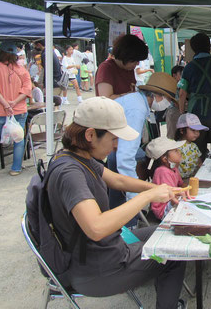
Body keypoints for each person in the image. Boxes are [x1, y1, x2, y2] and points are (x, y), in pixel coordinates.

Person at [43, 97, 187, 308]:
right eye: (113, 139)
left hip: (102, 249)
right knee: (174, 253)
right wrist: (147, 197)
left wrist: (159, 189)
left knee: (168, 231)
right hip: (96, 268)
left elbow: (118, 180)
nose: (116, 145)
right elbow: (96, 227)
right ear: (90, 134)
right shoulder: (70, 174)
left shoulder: (79, 156)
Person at [107, 72, 179, 222]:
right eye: (168, 100)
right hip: (114, 152)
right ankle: (128, 227)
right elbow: (126, 156)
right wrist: (134, 199)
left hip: (115, 151)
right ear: (157, 96)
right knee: (124, 210)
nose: (168, 104)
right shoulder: (137, 109)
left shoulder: (137, 102)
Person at [0, 41, 32, 177]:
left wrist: (5, 104)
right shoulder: (22, 70)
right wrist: (13, 102)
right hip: (19, 110)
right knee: (19, 140)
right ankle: (16, 168)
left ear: (1, 53)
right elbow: (27, 90)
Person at [178, 32, 211, 158]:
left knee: (198, 149)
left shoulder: (189, 67)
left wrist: (182, 113)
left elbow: (182, 93)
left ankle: (199, 174)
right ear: (209, 47)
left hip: (195, 113)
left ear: (193, 48)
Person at [145, 137, 187, 220]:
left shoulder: (173, 168)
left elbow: (181, 184)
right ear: (164, 159)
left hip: (171, 200)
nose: (179, 152)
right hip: (163, 209)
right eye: (175, 151)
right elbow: (172, 194)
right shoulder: (162, 171)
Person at [96, 34, 149, 99]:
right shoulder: (106, 68)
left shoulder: (129, 69)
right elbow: (106, 98)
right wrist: (130, 96)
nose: (137, 63)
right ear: (126, 56)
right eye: (135, 60)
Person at [174, 113, 207, 179]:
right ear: (182, 130)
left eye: (198, 130)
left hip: (193, 178)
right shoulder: (175, 147)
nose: (196, 133)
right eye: (193, 130)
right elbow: (174, 167)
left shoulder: (194, 146)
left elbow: (199, 162)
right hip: (180, 180)